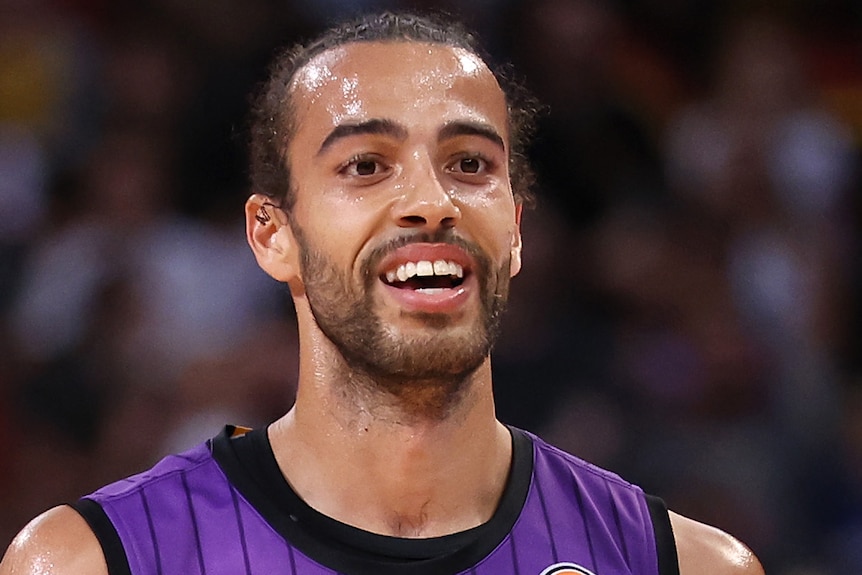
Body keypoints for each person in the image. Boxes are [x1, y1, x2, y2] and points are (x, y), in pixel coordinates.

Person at [1, 12, 764, 575]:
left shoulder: (688, 564)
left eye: (470, 164)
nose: (433, 201)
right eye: (366, 165)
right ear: (274, 235)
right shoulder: (91, 559)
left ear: (519, 231)